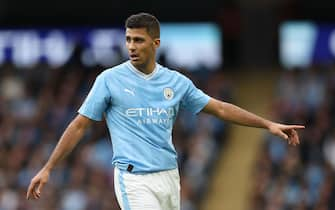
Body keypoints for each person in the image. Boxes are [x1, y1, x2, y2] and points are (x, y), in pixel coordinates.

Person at [26, 12, 304, 210]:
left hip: (169, 176)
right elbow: (79, 125)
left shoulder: (176, 82)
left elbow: (219, 108)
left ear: (155, 43)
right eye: (128, 40)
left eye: (138, 40)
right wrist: (49, 168)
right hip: (133, 178)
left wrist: (267, 124)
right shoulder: (109, 80)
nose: (131, 47)